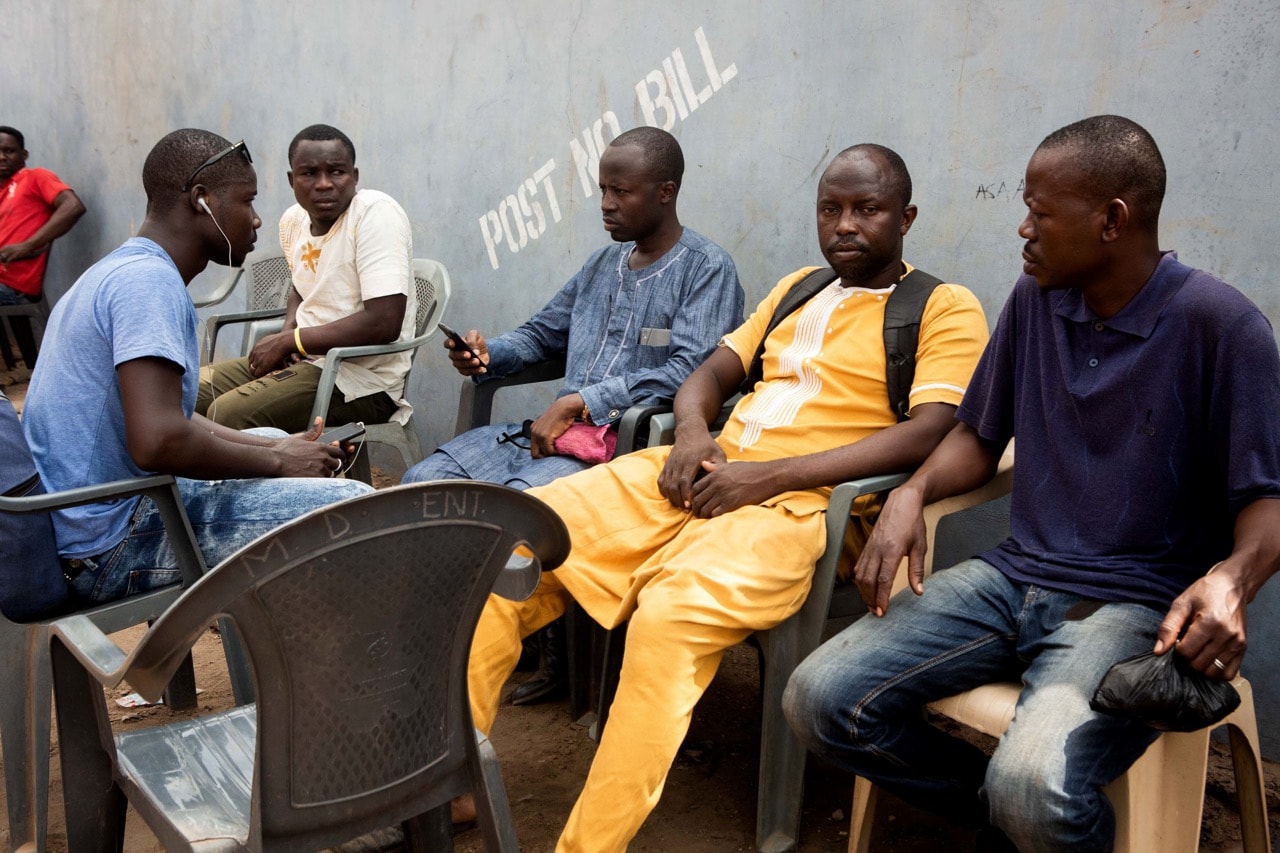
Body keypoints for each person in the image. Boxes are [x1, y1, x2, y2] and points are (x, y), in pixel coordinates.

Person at [457, 143, 988, 851]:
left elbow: (932, 428)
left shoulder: (942, 306)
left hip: (800, 511)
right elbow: (708, 372)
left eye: (868, 209)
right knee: (514, 545)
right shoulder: (799, 289)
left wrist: (769, 476)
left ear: (906, 216)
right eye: (831, 209)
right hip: (700, 476)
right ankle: (453, 781)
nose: (846, 225)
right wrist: (689, 433)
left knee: (666, 618)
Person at [784, 116, 1280, 853]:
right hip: (1012, 576)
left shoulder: (1221, 327)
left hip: (1130, 603)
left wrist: (1231, 580)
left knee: (1033, 782)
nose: (1023, 229)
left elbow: (1266, 502)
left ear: (1112, 220)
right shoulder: (1036, 300)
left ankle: (1030, 815)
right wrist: (913, 492)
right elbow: (979, 437)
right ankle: (1014, 827)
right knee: (819, 698)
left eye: (1041, 213)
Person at [404, 126, 744, 705]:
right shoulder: (602, 265)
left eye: (622, 192)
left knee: (514, 516)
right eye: (603, 191)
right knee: (419, 491)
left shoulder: (705, 269)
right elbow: (543, 333)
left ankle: (543, 654)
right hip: (548, 438)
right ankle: (458, 644)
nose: (607, 205)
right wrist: (489, 354)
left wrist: (584, 399)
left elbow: (693, 369)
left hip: (623, 450)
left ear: (666, 192)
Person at [22, 128, 371, 607]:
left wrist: (278, 449)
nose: (256, 218)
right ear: (202, 200)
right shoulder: (149, 284)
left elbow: (172, 416)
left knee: (272, 438)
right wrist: (278, 462)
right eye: (246, 201)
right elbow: (159, 440)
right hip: (107, 544)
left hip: (82, 521)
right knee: (355, 510)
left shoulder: (120, 270)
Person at [197, 124, 415, 433]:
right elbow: (301, 286)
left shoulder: (375, 215)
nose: (324, 184)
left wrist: (289, 341)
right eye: (309, 173)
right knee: (185, 394)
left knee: (228, 414)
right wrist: (288, 333)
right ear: (291, 179)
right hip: (306, 360)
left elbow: (385, 323)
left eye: (336, 172)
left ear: (355, 176)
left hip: (362, 381)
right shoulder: (293, 220)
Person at [0, 125, 87, 371]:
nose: (2, 157)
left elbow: (73, 206)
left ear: (24, 154)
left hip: (15, 285)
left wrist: (27, 245)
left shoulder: (35, 177)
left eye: (9, 151)